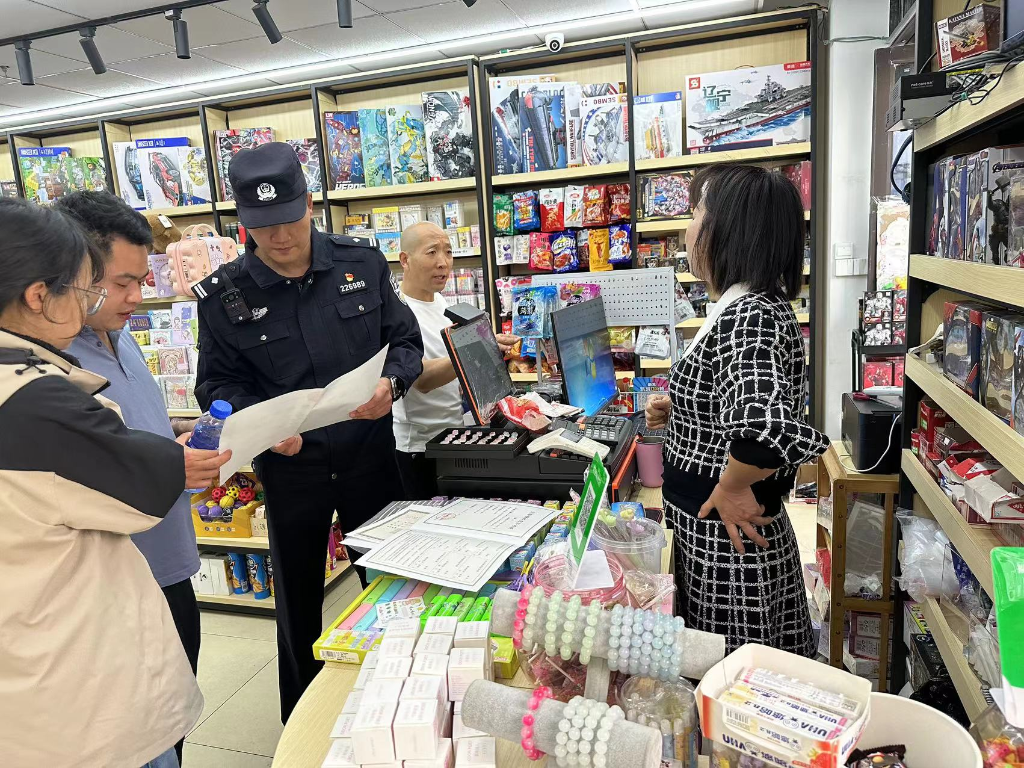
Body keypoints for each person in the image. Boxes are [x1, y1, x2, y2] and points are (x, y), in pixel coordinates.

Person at [193, 142, 424, 721]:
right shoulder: (223, 296)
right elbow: (216, 384)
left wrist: (390, 386)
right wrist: (261, 426)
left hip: (369, 453)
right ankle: (303, 717)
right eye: (262, 227)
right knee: (297, 602)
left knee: (391, 585)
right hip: (290, 466)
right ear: (242, 221)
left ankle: (400, 698)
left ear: (311, 203)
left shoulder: (361, 263)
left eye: (290, 220)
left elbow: (406, 342)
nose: (280, 238)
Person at [0, 198, 204, 768]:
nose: (104, 301)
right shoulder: (35, 394)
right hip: (72, 672)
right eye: (88, 288)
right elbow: (139, 480)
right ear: (40, 294)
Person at [57, 191, 232, 764]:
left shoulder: (121, 334)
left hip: (172, 561)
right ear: (72, 271)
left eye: (142, 279)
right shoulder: (56, 364)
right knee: (139, 736)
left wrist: (186, 427)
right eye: (122, 283)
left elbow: (136, 422)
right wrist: (167, 461)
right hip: (120, 582)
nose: (138, 296)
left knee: (174, 716)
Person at [645, 165, 828, 656]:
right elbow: (735, 402)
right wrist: (681, 407)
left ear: (728, 230)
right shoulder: (740, 306)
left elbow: (761, 433)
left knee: (736, 677)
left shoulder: (752, 315)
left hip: (730, 549)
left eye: (696, 212)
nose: (688, 227)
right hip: (715, 536)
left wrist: (731, 485)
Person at [392, 221, 518, 499]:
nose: (443, 263)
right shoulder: (397, 314)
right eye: (432, 252)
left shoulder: (441, 304)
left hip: (450, 436)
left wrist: (488, 348)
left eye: (448, 252)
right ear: (405, 260)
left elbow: (453, 365)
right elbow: (420, 378)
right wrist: (475, 350)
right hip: (419, 450)